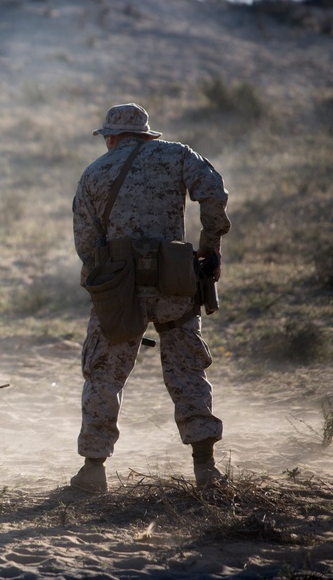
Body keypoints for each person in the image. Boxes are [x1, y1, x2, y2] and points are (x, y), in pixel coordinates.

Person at [70, 103, 230, 492]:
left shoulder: (94, 172)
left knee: (104, 372)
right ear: (146, 134)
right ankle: (205, 467)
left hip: (121, 286)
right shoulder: (178, 155)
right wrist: (210, 247)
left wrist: (103, 283)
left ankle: (93, 470)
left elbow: (86, 241)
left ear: (111, 137)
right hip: (176, 280)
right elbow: (213, 191)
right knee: (187, 368)